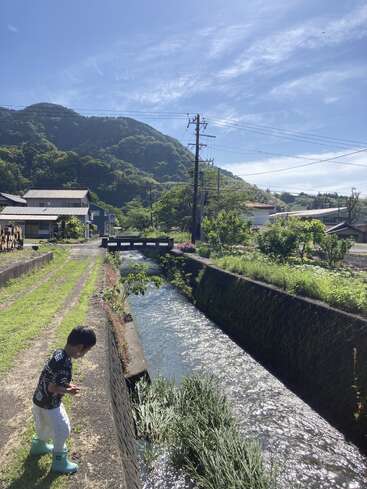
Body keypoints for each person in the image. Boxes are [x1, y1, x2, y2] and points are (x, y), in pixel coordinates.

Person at [31, 325, 96, 474]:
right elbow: (52, 388)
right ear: (80, 347)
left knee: (43, 425)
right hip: (50, 404)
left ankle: (38, 446)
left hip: (38, 400)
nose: (84, 354)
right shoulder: (65, 365)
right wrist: (68, 390)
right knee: (63, 429)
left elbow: (51, 377)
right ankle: (59, 462)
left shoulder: (59, 353)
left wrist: (66, 384)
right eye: (86, 351)